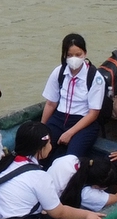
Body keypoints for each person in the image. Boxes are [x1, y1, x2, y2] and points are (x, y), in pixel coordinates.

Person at [0, 122, 105, 219]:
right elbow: (59, 213)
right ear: (41, 147)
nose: (51, 146)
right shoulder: (39, 176)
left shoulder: (5, 163)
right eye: (49, 143)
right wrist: (87, 214)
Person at [39, 33, 105, 161]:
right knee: (40, 151)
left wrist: (70, 133)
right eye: (69, 55)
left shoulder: (95, 78)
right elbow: (51, 103)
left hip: (83, 122)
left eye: (78, 54)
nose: (74, 58)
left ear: (85, 53)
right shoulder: (59, 72)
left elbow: (93, 113)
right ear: (64, 55)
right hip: (59, 118)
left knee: (71, 158)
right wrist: (41, 128)